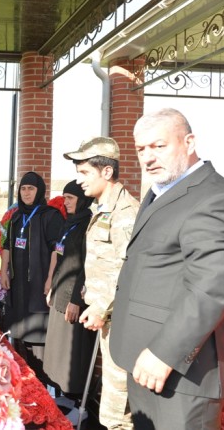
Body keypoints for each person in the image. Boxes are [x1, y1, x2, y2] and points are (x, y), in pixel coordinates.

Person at [110, 109, 224, 429]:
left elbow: (210, 289)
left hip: (182, 374)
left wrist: (164, 353)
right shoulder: (161, 191)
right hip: (144, 361)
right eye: (141, 149)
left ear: (189, 142)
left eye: (158, 146)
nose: (147, 157)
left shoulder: (216, 199)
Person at [63, 136, 139, 430]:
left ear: (106, 172)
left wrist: (100, 307)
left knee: (117, 410)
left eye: (84, 173)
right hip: (107, 316)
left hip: (119, 319)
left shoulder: (125, 213)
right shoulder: (102, 208)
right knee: (111, 402)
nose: (79, 180)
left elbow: (126, 268)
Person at [0, 171, 64, 384]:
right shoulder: (17, 216)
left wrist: (50, 279)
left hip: (38, 286)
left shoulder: (51, 216)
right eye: (23, 188)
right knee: (18, 334)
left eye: (31, 189)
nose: (26, 193)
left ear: (40, 191)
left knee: (38, 338)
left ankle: (43, 385)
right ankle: (25, 383)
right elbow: (7, 245)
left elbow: (57, 249)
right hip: (18, 287)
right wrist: (3, 271)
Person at [43, 180, 96, 424]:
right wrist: (52, 287)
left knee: (73, 354)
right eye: (64, 197)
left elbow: (86, 268)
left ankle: (79, 405)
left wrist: (76, 300)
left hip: (74, 298)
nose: (66, 202)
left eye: (70, 198)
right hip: (59, 293)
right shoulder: (69, 223)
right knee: (58, 352)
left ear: (82, 199)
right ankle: (64, 395)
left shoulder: (87, 225)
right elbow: (61, 258)